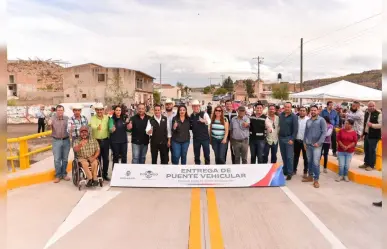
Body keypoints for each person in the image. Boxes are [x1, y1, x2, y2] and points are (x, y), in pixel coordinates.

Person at [302, 105, 327, 188]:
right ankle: (310, 177)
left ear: (318, 111)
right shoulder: (308, 121)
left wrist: (319, 143)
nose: (313, 111)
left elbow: (324, 133)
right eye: (311, 110)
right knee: (309, 161)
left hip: (317, 146)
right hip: (308, 145)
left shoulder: (321, 120)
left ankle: (316, 180)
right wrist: (304, 142)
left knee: (316, 163)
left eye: (314, 110)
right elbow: (306, 132)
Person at [47, 105, 71, 183]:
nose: (60, 112)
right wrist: (49, 124)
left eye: (61, 110)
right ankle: (58, 175)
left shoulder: (67, 119)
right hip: (56, 140)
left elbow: (71, 128)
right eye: (58, 110)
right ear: (56, 111)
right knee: (57, 159)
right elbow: (48, 129)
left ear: (63, 111)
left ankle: (64, 174)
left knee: (65, 159)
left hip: (66, 140)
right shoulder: (52, 119)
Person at [89, 103, 110, 181]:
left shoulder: (107, 118)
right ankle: (98, 174)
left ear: (103, 110)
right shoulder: (93, 118)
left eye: (101, 109)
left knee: (106, 159)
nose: (99, 111)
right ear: (95, 110)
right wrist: (97, 127)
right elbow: (92, 126)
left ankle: (105, 174)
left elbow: (110, 126)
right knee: (98, 158)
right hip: (96, 141)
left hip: (106, 140)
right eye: (97, 110)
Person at [360, 101, 382, 171]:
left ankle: (371, 165)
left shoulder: (379, 114)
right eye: (370, 106)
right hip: (367, 134)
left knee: (372, 150)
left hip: (374, 135)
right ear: (368, 106)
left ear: (375, 106)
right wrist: (363, 133)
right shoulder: (366, 113)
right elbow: (365, 124)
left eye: (373, 106)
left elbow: (381, 125)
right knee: (366, 149)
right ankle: (366, 163)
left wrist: (372, 125)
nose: (371, 107)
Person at [278, 102, 298, 180]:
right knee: (283, 156)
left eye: (288, 107)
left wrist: (292, 139)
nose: (287, 108)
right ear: (284, 107)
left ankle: (290, 172)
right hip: (281, 138)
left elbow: (295, 129)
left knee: (289, 157)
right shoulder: (281, 115)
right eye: (285, 107)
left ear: (291, 108)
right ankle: (285, 170)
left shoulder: (294, 116)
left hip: (289, 138)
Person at [190, 100, 211, 165]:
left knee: (207, 155)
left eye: (197, 106)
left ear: (199, 106)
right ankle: (197, 167)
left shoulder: (204, 114)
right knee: (196, 156)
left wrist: (204, 121)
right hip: (196, 139)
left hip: (205, 138)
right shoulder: (191, 116)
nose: (195, 108)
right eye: (194, 106)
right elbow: (190, 126)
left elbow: (209, 121)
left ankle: (207, 167)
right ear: (192, 107)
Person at [293, 106, 309, 177]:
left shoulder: (308, 120)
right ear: (298, 111)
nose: (302, 112)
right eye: (301, 110)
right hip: (296, 141)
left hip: (305, 142)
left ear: (306, 112)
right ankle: (294, 170)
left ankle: (305, 171)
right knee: (295, 156)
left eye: (303, 110)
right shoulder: (296, 119)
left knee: (305, 157)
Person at [163, 99, 177, 163]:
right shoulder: (162, 114)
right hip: (164, 137)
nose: (168, 106)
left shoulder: (176, 114)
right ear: (165, 105)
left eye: (170, 104)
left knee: (175, 156)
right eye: (167, 104)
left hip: (175, 137)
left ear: (172, 105)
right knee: (165, 156)